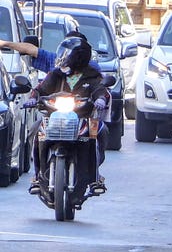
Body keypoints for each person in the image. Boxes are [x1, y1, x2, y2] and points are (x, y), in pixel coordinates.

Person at [25, 37, 110, 197]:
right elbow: (40, 89)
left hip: (82, 119)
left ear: (77, 57)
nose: (62, 58)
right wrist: (32, 98)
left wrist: (100, 99)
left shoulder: (91, 75)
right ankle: (38, 176)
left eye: (66, 55)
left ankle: (94, 177)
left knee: (100, 131)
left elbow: (100, 90)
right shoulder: (56, 74)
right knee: (36, 131)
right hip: (53, 119)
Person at [0, 30, 101, 74]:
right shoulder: (54, 62)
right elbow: (30, 49)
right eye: (66, 48)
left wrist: (99, 99)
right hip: (57, 107)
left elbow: (99, 88)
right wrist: (5, 43)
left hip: (82, 109)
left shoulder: (93, 68)